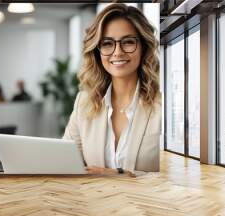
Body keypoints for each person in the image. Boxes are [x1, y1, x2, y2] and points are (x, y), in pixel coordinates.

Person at [63, 3, 161, 175]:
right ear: (97, 51)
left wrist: (120, 175)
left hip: (149, 202)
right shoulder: (84, 103)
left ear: (144, 47)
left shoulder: (163, 106)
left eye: (128, 42)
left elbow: (178, 174)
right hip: (96, 201)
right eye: (107, 43)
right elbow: (64, 163)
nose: (117, 52)